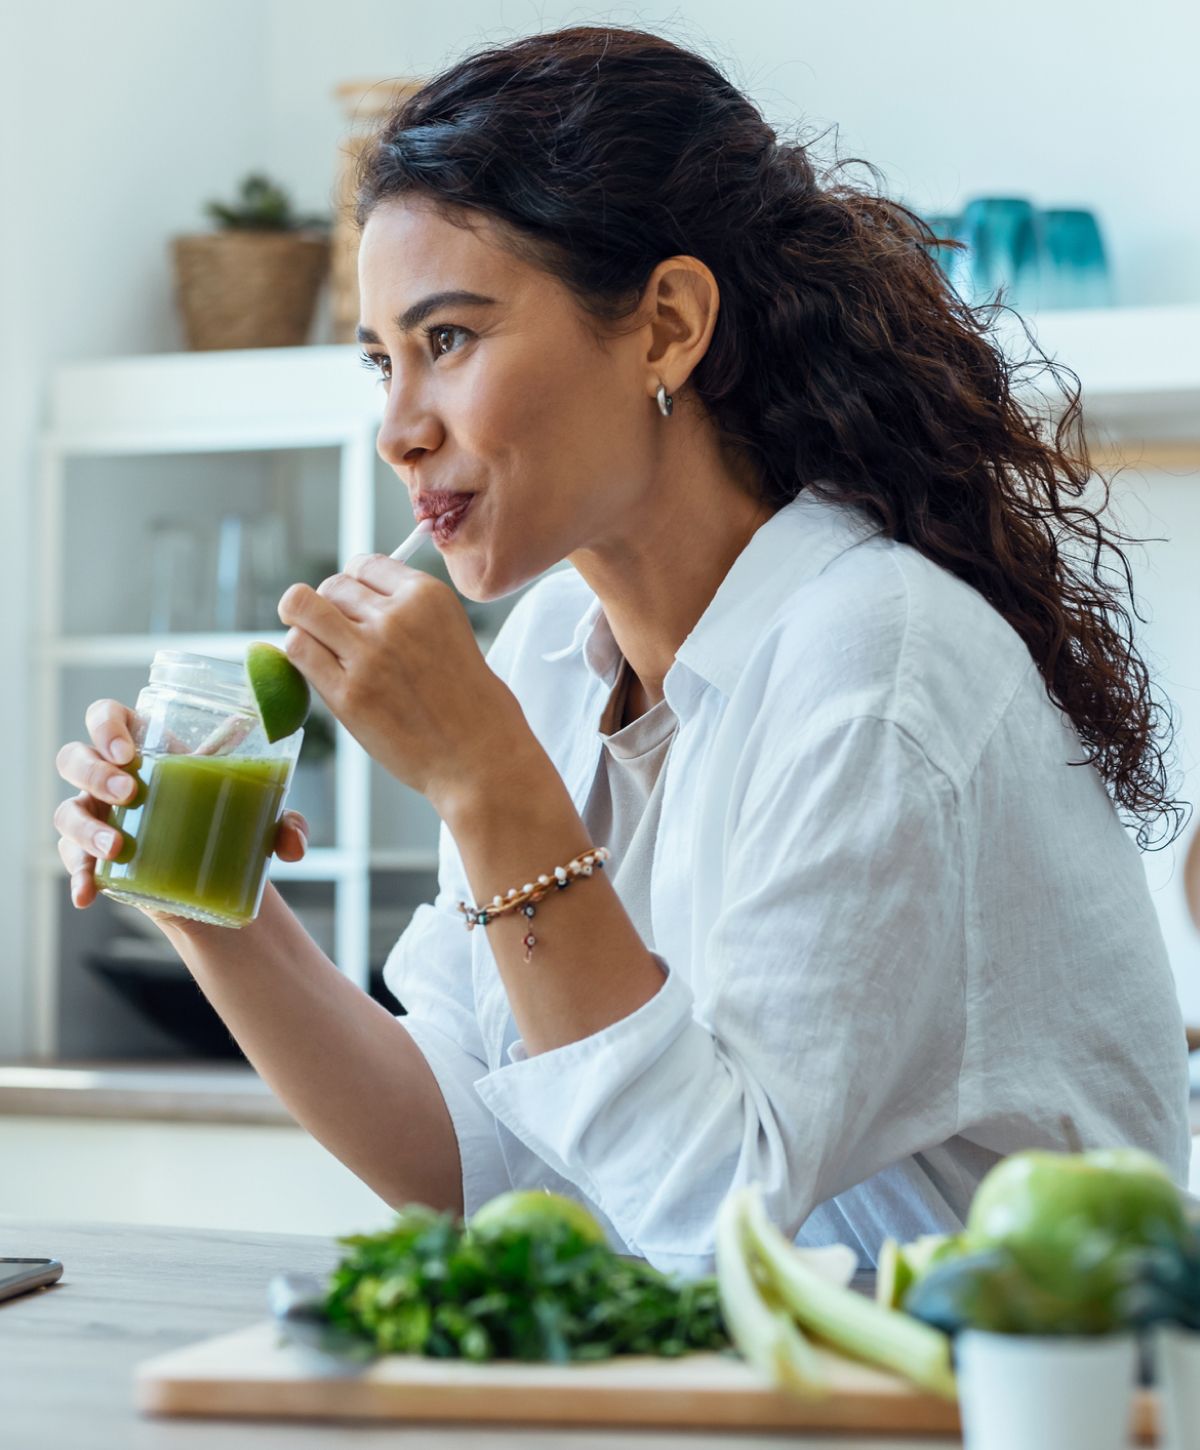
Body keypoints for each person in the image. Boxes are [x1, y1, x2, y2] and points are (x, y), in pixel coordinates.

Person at [53, 24, 1191, 1276]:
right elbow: (473, 1156)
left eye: (449, 340)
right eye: (382, 361)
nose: (398, 429)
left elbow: (720, 1226)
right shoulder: (551, 651)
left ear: (665, 326)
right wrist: (208, 900)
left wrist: (491, 787)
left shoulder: (878, 668)